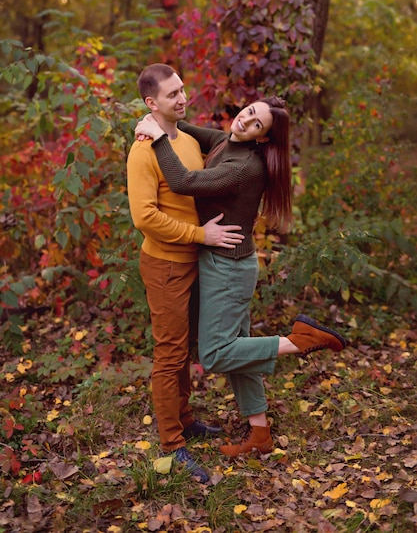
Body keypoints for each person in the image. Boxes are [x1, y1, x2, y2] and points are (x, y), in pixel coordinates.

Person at [135, 94, 347, 459]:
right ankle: (260, 433)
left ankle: (298, 341)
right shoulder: (224, 141)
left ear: (263, 138)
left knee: (216, 355)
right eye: (249, 113)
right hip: (227, 262)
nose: (245, 122)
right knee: (239, 350)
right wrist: (150, 118)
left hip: (228, 268)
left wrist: (156, 139)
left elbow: (183, 181)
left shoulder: (245, 166)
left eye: (256, 125)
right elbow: (180, 125)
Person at [127, 63, 246, 483]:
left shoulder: (186, 139)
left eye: (182, 90)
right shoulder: (143, 152)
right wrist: (201, 234)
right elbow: (144, 217)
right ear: (150, 103)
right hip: (164, 265)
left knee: (186, 350)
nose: (182, 98)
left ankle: (185, 418)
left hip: (195, 261)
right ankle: (172, 446)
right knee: (170, 353)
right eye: (172, 94)